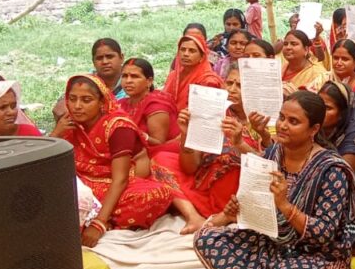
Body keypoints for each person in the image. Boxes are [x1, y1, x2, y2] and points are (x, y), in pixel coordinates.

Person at [195, 91, 355, 269]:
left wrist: (285, 205)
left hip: (314, 256)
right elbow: (256, 194)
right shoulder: (274, 153)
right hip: (270, 243)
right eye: (282, 117)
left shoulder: (332, 171)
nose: (282, 125)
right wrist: (235, 212)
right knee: (204, 239)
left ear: (314, 129)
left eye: (293, 121)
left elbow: (325, 235)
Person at [53, 75, 204, 242]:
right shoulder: (68, 124)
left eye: (86, 100)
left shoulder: (118, 127)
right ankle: (91, 212)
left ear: (102, 102)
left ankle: (96, 215)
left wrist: (99, 223)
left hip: (114, 182)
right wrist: (56, 133)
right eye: (72, 99)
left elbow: (120, 179)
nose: (77, 106)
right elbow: (47, 163)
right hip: (80, 181)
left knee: (155, 195)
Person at [175, 65, 272, 217]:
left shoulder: (267, 118)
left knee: (232, 161)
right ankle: (196, 217)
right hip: (209, 188)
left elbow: (271, 166)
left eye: (240, 86)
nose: (232, 89)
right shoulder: (212, 113)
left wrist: (244, 143)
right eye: (229, 83)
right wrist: (186, 135)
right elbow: (190, 168)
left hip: (250, 189)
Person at [319, 81, 355, 195]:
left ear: (342, 113)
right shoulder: (316, 128)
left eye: (328, 108)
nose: (320, 111)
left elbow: (339, 180)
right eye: (319, 105)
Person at [118, 58, 180, 155]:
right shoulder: (120, 104)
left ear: (149, 81)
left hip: (158, 155)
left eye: (135, 76)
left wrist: (139, 135)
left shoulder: (156, 105)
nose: (128, 81)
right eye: (124, 76)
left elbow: (159, 144)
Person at [162, 35, 224, 110]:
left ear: (202, 57)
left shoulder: (209, 81)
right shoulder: (173, 75)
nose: (186, 54)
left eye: (192, 51)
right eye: (183, 49)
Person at [280, 30, 329, 94]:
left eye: (294, 44)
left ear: (306, 49)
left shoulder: (318, 74)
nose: (288, 47)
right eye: (285, 44)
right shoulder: (281, 68)